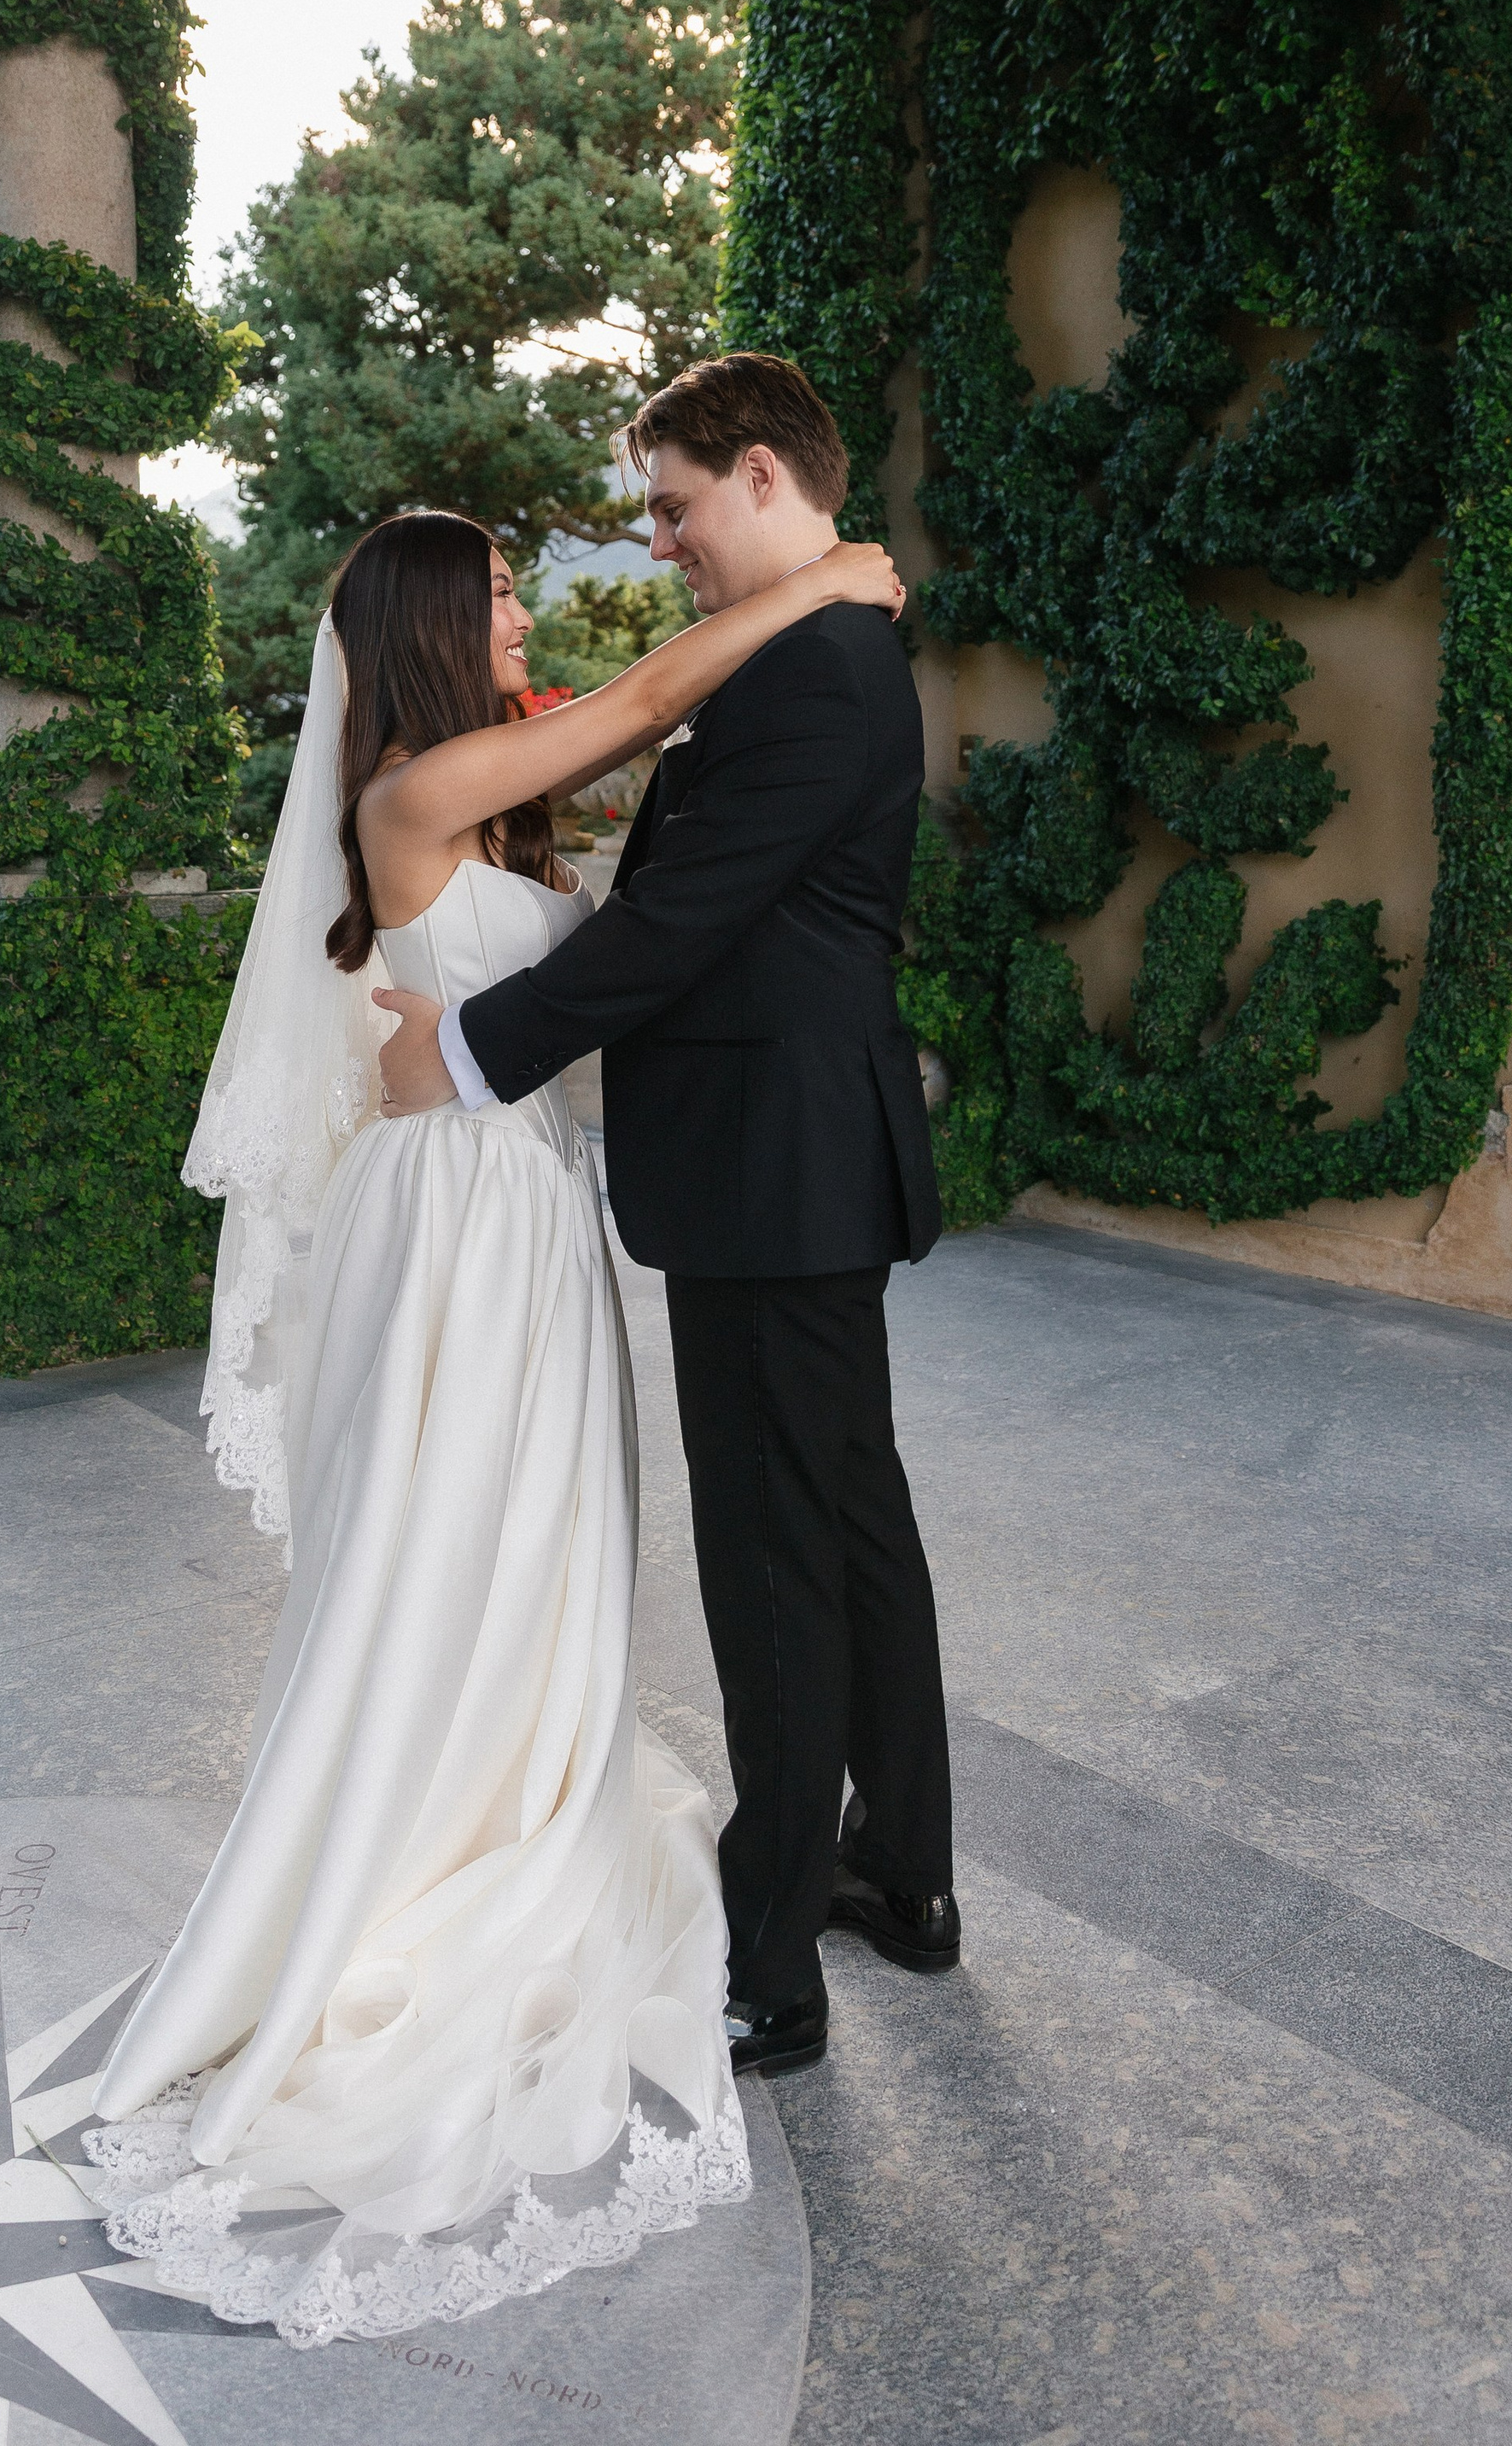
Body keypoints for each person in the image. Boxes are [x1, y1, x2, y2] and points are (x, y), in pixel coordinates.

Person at [80, 502, 907, 2348]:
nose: (533, 609)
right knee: (439, 1549)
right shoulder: (411, 786)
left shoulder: (470, 797)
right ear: (441, 624)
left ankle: (489, 1800)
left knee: (528, 1552)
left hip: (514, 1209)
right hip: (448, 1225)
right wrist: (813, 588)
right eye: (507, 590)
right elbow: (630, 707)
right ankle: (414, 1854)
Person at [376, 353, 959, 2085]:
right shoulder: (807, 656)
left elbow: (682, 917)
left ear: (764, 474)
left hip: (773, 1177)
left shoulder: (822, 672)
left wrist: (473, 1051)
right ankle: (901, 1875)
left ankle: (767, 1965)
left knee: (776, 1557)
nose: (660, 542)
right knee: (846, 1522)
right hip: (782, 1162)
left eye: (675, 505)